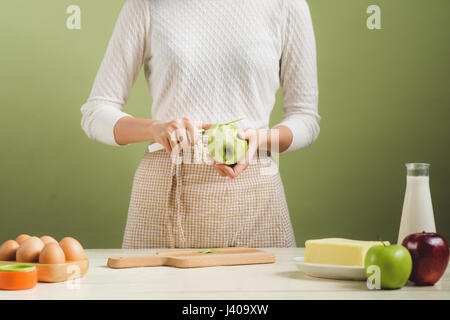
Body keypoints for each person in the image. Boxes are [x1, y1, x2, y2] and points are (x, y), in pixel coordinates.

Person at [81, 0, 320, 248]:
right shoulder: (146, 5)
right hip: (162, 199)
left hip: (255, 200)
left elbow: (305, 118)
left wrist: (260, 139)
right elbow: (96, 113)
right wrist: (156, 128)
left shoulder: (287, 5)